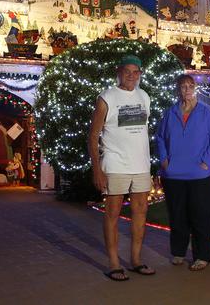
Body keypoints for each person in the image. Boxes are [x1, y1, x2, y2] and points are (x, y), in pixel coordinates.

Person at [88, 54, 155, 281]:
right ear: (119, 72)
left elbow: (142, 132)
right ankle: (114, 263)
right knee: (113, 213)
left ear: (140, 74)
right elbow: (93, 135)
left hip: (140, 165)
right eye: (127, 71)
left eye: (136, 72)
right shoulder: (107, 98)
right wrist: (97, 169)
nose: (131, 76)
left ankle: (136, 260)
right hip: (115, 164)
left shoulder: (144, 97)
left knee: (140, 212)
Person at [156, 74, 210, 271]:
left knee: (201, 215)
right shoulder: (170, 113)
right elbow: (160, 138)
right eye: (183, 86)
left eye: (190, 86)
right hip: (173, 174)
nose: (186, 89)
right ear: (178, 89)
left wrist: (205, 163)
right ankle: (178, 252)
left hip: (202, 175)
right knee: (177, 215)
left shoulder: (205, 112)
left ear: (195, 88)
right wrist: (165, 160)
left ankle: (203, 255)